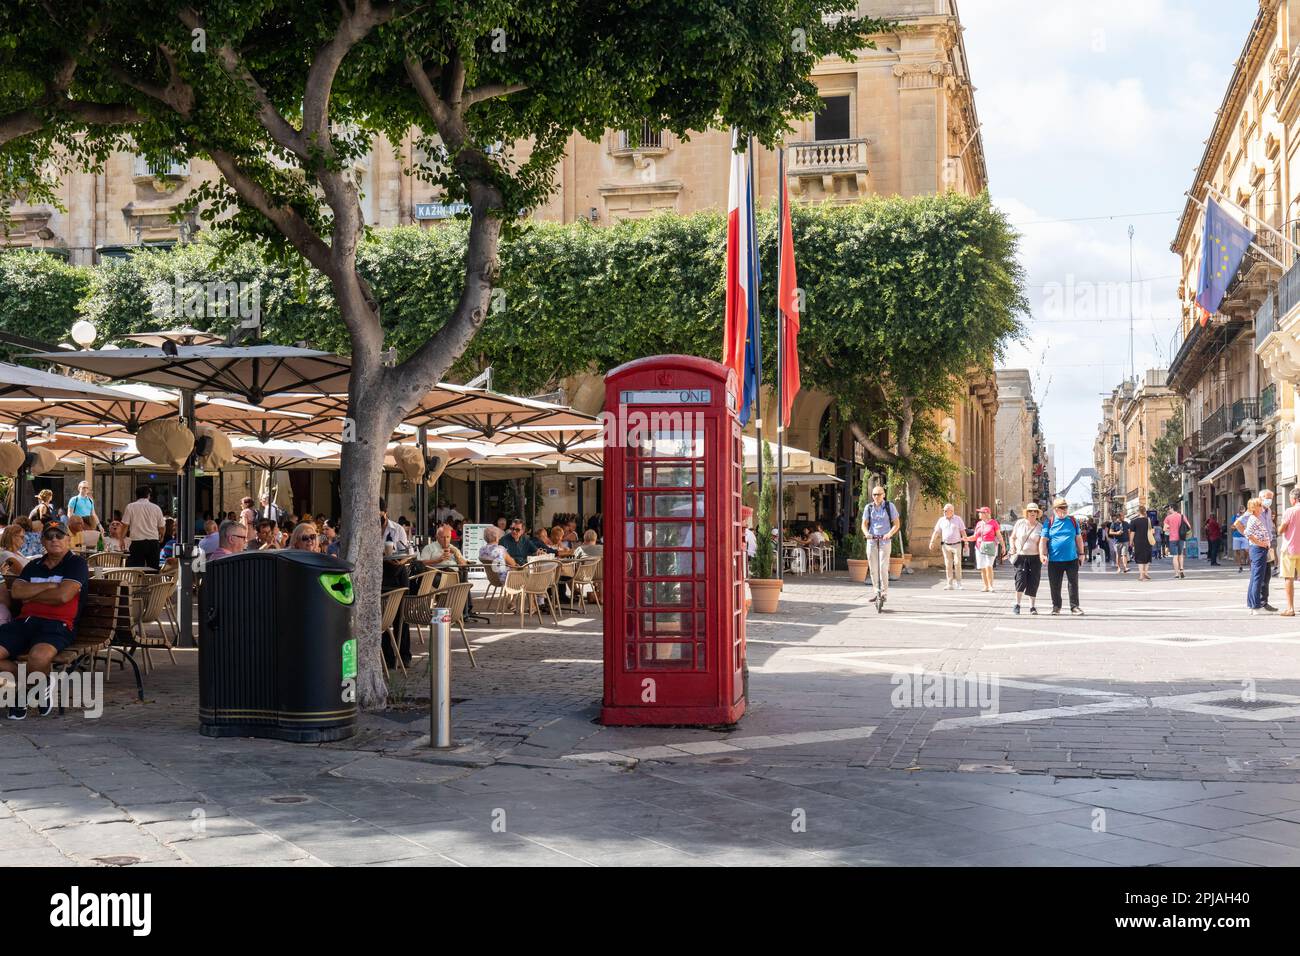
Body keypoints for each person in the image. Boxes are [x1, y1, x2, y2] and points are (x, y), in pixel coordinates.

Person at [0, 524, 89, 718]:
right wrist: (50, 585)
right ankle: (38, 682)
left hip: (58, 624)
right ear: (42, 541)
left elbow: (63, 596)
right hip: (25, 622)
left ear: (68, 539)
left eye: (59, 535)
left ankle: (23, 695)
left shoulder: (76, 564)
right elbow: (17, 592)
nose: (54, 539)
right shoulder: (34, 565)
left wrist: (31, 595)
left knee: (38, 657)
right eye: (49, 537)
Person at [1041, 498, 1084, 615]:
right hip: (1054, 560)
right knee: (1055, 584)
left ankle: (1074, 607)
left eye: (1065, 507)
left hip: (1072, 559)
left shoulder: (1073, 521)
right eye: (1061, 508)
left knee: (1073, 584)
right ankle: (1056, 607)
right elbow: (1043, 540)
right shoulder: (1049, 522)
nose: (1064, 510)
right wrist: (1043, 554)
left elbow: (1078, 538)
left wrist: (1082, 554)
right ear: (1055, 509)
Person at [1236, 489, 1277, 611]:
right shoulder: (1251, 512)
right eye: (1267, 498)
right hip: (1258, 547)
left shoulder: (1268, 511)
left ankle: (1263, 601)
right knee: (1258, 576)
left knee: (1266, 575)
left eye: (1271, 498)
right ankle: (1256, 603)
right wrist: (1250, 537)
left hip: (1267, 547)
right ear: (1260, 498)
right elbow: (1238, 524)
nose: (1270, 500)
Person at [860, 485, 900, 609]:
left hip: (885, 540)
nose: (876, 497)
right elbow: (864, 524)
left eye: (879, 494)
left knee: (883, 567)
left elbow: (896, 524)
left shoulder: (889, 506)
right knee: (873, 568)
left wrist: (889, 534)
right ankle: (876, 591)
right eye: (874, 495)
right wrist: (867, 534)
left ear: (884, 495)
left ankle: (884, 592)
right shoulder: (869, 507)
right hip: (872, 540)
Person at [1009, 502, 1044, 615]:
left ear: (1037, 513)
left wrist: (1043, 554)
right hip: (1021, 556)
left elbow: (1042, 543)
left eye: (1035, 511)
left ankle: (1032, 607)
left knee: (1033, 582)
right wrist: (1013, 547)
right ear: (1027, 513)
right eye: (1030, 511)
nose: (1032, 513)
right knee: (1020, 580)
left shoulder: (1040, 526)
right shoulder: (1019, 523)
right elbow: (1012, 537)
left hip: (1035, 558)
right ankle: (1017, 604)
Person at [121, 485, 165, 570]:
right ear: (148, 495)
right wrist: (162, 536)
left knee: (136, 570)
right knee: (153, 568)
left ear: (136, 495)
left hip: (137, 542)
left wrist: (122, 539)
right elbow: (161, 526)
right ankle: (153, 583)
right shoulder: (156, 508)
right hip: (153, 541)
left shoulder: (130, 507)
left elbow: (125, 525)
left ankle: (138, 583)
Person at [1243, 497, 1274, 615]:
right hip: (1258, 550)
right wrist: (1262, 543)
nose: (1262, 507)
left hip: (1260, 549)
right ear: (1254, 508)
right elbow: (1248, 533)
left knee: (1255, 577)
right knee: (1257, 578)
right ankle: (1255, 606)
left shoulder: (1255, 518)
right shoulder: (1253, 519)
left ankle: (1251, 604)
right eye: (1260, 505)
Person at [928, 502, 967, 591]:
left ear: (951, 511)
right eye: (944, 510)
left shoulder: (958, 519)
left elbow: (963, 532)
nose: (944, 512)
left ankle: (959, 583)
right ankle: (949, 583)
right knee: (948, 564)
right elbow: (936, 532)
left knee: (957, 563)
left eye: (946, 510)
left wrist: (966, 544)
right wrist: (932, 542)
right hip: (945, 545)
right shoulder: (941, 520)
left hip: (957, 544)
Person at [964, 505, 1004, 593]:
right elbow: (975, 536)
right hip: (979, 547)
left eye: (980, 512)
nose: (978, 514)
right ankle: (985, 586)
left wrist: (1003, 546)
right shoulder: (979, 524)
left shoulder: (993, 523)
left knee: (989, 566)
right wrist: (966, 538)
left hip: (991, 546)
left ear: (986, 514)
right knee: (982, 567)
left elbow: (999, 536)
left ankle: (990, 586)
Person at [1275, 488, 1300, 617]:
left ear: (1294, 499)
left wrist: (1277, 527)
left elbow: (1282, 529)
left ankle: (1290, 608)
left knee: (1289, 577)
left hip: (1290, 548)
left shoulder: (1290, 511)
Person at [1163, 504, 1191, 579]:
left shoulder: (1168, 517)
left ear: (1172, 508)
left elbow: (1164, 529)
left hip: (1172, 538)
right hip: (1181, 538)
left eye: (1169, 508)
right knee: (1180, 555)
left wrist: (1171, 529)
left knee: (1175, 556)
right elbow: (1189, 526)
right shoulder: (1182, 516)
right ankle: (1181, 569)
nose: (1169, 509)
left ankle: (1176, 573)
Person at [1128, 506, 1153, 581]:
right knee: (1147, 557)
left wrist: (1131, 542)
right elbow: (1153, 531)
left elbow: (1132, 533)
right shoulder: (1149, 521)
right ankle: (1145, 572)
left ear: (1138, 512)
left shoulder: (1134, 521)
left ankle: (1141, 575)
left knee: (1139, 557)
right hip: (1148, 540)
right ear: (1145, 511)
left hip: (1138, 541)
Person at [1230, 506, 1249, 573]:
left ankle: (1248, 562)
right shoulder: (1235, 517)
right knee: (1237, 551)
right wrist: (1238, 526)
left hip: (1244, 536)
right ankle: (1240, 566)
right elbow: (1232, 526)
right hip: (1236, 536)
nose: (1242, 513)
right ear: (1239, 511)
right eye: (1241, 512)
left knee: (1247, 550)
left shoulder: (1247, 517)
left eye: (1243, 512)